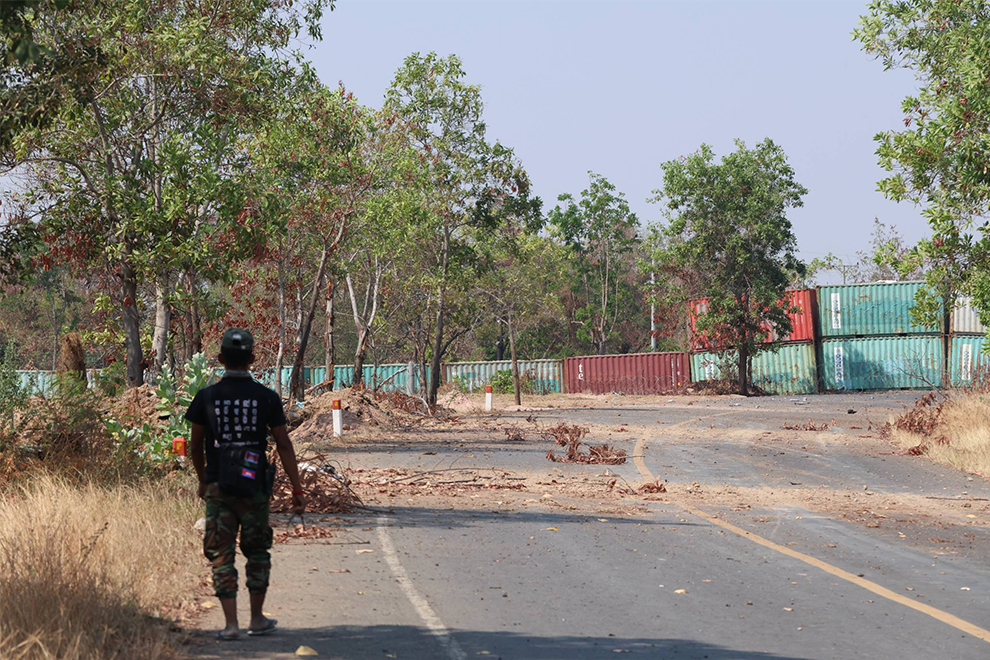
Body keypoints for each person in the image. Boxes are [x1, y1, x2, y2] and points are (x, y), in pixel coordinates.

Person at [185, 328, 306, 641]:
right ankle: (256, 619)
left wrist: (202, 480)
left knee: (221, 555)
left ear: (221, 358)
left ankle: (230, 626)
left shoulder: (206, 397)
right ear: (253, 359)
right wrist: (297, 490)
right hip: (255, 489)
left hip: (218, 488)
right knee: (257, 552)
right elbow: (283, 443)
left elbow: (195, 446)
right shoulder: (266, 397)